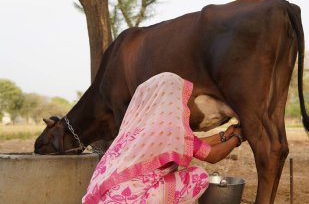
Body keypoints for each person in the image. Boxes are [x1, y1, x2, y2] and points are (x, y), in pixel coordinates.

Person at [82, 72, 245, 204]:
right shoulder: (170, 128)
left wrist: (225, 135)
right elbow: (212, 156)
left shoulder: (139, 130)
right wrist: (238, 137)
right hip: (130, 200)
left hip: (103, 198)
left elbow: (193, 144)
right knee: (198, 176)